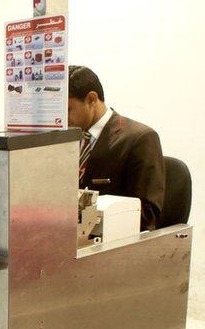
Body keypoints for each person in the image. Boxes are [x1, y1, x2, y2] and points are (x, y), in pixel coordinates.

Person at [69, 65, 164, 230]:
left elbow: (147, 214)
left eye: (68, 109)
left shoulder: (139, 139)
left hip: (111, 240)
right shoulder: (67, 139)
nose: (62, 118)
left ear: (91, 99)